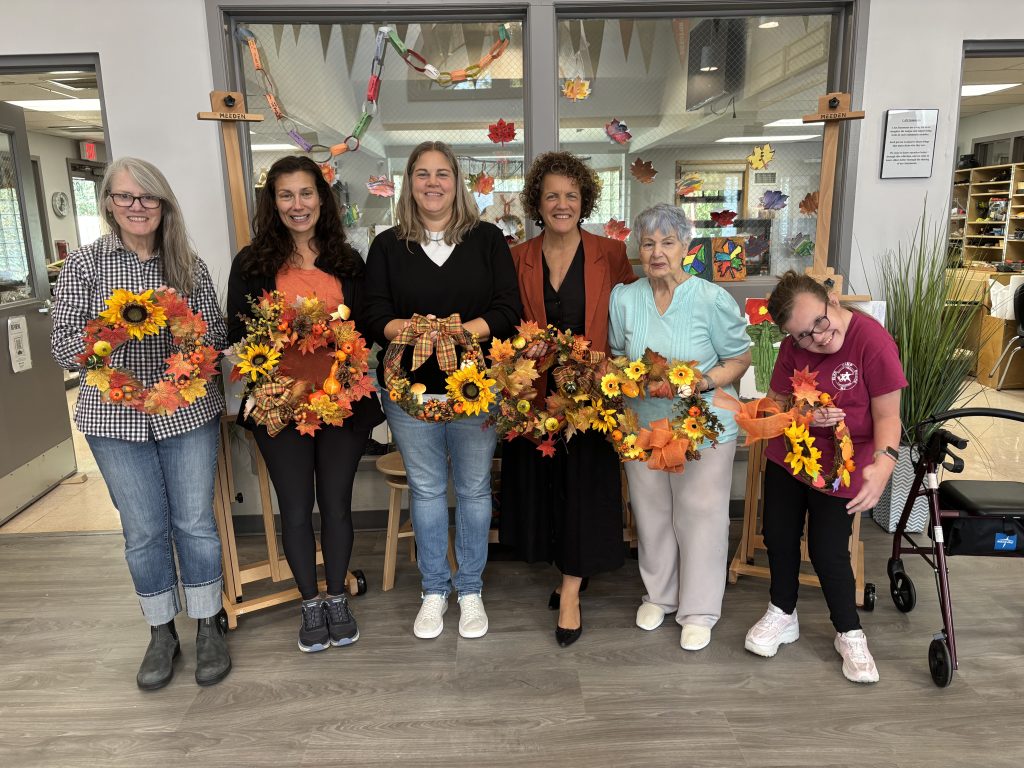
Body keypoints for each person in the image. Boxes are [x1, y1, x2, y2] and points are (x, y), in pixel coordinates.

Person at [50, 157, 231, 690]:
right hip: (114, 419)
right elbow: (62, 345)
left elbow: (216, 335)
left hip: (187, 413)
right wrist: (114, 331)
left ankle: (208, 622)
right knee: (143, 529)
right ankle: (160, 631)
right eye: (125, 196)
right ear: (108, 203)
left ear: (163, 204)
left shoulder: (187, 265)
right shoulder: (84, 265)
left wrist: (184, 334)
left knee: (194, 522)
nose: (137, 206)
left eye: (148, 196)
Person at [226, 155, 384, 653]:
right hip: (280, 406)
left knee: (336, 504)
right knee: (295, 508)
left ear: (322, 199)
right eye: (286, 195)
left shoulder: (348, 262)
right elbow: (236, 335)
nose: (298, 204)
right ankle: (309, 603)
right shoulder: (252, 264)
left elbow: (366, 329)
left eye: (306, 193)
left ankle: (337, 597)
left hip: (341, 404)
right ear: (273, 203)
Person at [364, 141, 521, 640]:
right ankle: (434, 590)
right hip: (409, 392)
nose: (432, 183)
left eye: (442, 174)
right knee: (428, 490)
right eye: (422, 174)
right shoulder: (388, 246)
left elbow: (508, 310)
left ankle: (470, 589)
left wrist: (454, 334)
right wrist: (416, 333)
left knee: (473, 489)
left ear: (457, 183)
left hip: (476, 389)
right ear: (409, 183)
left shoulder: (487, 239)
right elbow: (372, 313)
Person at [500, 151, 636, 647]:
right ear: (538, 202)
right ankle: (565, 569)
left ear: (585, 201)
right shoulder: (517, 256)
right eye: (552, 195)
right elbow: (507, 321)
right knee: (547, 486)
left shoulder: (611, 254)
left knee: (584, 488)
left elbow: (632, 318)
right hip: (535, 394)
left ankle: (572, 591)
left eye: (571, 195)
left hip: (592, 395)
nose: (562, 204)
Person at [743, 271, 905, 684]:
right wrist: (804, 416)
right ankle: (783, 612)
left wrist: (884, 464)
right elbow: (776, 404)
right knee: (778, 535)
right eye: (801, 336)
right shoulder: (791, 348)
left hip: (843, 465)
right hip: (790, 456)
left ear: (831, 301)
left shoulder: (872, 342)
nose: (816, 338)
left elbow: (889, 417)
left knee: (828, 550)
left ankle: (849, 632)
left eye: (819, 322)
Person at [609, 203, 751, 652]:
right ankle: (659, 596)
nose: (657, 253)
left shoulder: (711, 298)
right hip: (643, 424)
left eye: (667, 242)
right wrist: (624, 375)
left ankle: (699, 611)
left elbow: (739, 358)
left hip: (703, 426)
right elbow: (616, 354)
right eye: (648, 243)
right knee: (651, 514)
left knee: (700, 516)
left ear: (686, 246)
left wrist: (703, 382)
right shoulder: (623, 298)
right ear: (638, 249)